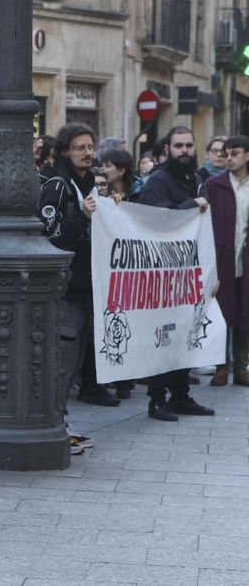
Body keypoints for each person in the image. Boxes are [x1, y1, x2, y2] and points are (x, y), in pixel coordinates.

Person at [39, 123, 118, 452]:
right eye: (80, 148)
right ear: (65, 151)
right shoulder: (58, 186)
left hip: (86, 287)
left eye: (91, 147)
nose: (88, 153)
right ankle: (50, 425)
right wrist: (82, 217)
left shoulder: (88, 183)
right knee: (62, 359)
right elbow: (49, 236)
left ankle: (59, 422)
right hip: (65, 290)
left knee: (73, 361)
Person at [139, 126, 217, 421]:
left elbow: (204, 229)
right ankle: (156, 400)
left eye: (188, 145)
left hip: (190, 273)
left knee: (186, 334)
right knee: (162, 337)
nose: (184, 150)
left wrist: (213, 271)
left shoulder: (196, 180)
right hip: (162, 275)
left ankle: (181, 396)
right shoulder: (158, 181)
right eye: (178, 145)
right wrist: (189, 205)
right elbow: (159, 221)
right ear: (168, 149)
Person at [205, 135, 249, 388]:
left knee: (245, 313)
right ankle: (221, 366)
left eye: (234, 153)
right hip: (222, 259)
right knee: (222, 313)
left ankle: (241, 367)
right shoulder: (214, 185)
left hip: (246, 260)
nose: (228, 158)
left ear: (247, 156)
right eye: (226, 153)